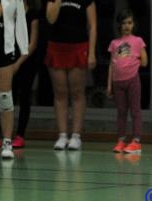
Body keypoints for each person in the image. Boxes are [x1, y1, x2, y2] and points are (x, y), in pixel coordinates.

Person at [45, 0, 96, 151]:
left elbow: (92, 26)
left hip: (79, 47)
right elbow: (50, 19)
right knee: (60, 93)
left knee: (77, 93)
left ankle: (76, 136)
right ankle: (62, 135)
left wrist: (92, 53)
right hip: (56, 47)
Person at [0, 0, 39, 154]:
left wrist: (22, 48)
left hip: (5, 48)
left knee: (4, 96)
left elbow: (21, 21)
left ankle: (7, 141)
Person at [107, 8, 147, 155]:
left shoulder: (138, 41)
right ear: (119, 25)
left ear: (133, 24)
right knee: (121, 112)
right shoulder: (114, 43)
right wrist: (109, 85)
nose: (126, 26)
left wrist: (132, 61)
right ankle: (121, 140)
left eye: (129, 23)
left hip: (132, 80)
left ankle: (136, 141)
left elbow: (144, 62)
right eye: (123, 23)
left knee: (135, 111)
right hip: (118, 82)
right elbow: (112, 64)